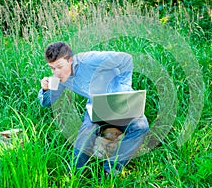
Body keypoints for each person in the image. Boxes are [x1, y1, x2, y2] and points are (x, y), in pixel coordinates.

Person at [38, 42, 149, 177]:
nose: (56, 72)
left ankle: (110, 171)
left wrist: (122, 91)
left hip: (120, 102)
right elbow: (47, 102)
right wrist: (45, 89)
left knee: (141, 127)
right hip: (97, 107)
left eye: (60, 67)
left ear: (70, 60)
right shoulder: (60, 77)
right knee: (86, 133)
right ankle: (73, 175)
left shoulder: (90, 60)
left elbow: (126, 59)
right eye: (52, 68)